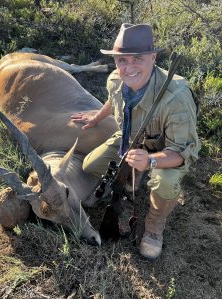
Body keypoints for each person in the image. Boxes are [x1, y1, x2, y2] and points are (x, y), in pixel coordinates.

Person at [71, 23, 199, 260]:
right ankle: (135, 177)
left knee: (166, 182)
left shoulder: (176, 97)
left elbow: (182, 152)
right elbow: (113, 100)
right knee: (91, 165)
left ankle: (154, 227)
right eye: (122, 60)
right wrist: (98, 116)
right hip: (129, 139)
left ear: (153, 57)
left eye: (137, 59)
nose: (128, 67)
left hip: (164, 151)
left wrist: (150, 160)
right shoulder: (116, 79)